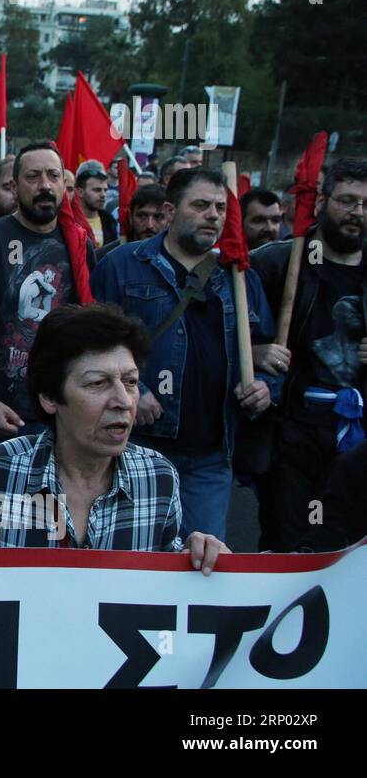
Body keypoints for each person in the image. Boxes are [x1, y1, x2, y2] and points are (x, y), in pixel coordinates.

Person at [0, 303, 229, 573]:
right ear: (49, 397)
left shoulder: (157, 477)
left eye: (131, 381)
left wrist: (199, 558)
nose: (123, 400)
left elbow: (164, 589)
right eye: (98, 383)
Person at [92, 167, 274, 539]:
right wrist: (130, 391)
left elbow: (263, 352)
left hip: (210, 455)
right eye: (202, 205)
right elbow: (89, 342)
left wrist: (266, 385)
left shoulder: (240, 276)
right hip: (137, 448)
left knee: (203, 564)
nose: (213, 216)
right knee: (131, 559)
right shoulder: (123, 265)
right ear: (171, 211)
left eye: (221, 208)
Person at [0, 142, 97, 462]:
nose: (44, 185)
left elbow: (90, 330)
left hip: (56, 418)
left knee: (46, 511)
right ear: (14, 185)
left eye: (53, 176)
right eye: (33, 176)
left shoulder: (79, 245)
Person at [249, 158, 367, 550]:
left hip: (358, 437)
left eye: (366, 204)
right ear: (322, 201)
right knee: (290, 541)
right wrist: (256, 350)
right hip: (292, 429)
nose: (357, 213)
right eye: (348, 201)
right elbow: (225, 332)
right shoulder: (277, 262)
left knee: (349, 544)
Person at [96, 184, 169, 260]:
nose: (149, 225)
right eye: (142, 216)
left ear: (170, 218)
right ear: (130, 217)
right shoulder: (105, 257)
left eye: (158, 217)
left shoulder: (178, 256)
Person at [75, 164, 117, 249]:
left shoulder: (109, 220)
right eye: (97, 190)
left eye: (105, 190)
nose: (103, 195)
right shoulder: (69, 220)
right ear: (80, 192)